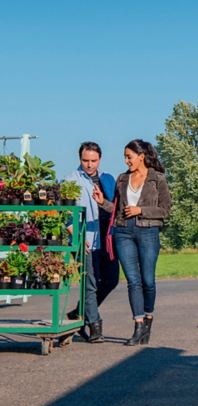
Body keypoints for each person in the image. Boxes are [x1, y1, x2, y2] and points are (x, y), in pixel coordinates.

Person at [95, 139, 171, 346]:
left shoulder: (158, 179)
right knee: (133, 280)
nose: (126, 160)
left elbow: (165, 210)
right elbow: (118, 211)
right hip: (123, 232)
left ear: (141, 156)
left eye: (129, 156)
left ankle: (148, 318)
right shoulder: (122, 179)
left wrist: (141, 210)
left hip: (148, 232)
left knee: (148, 280)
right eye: (125, 156)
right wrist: (103, 203)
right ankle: (138, 326)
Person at [65, 141, 119, 343]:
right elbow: (65, 215)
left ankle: (78, 313)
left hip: (107, 239)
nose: (89, 165)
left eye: (93, 161)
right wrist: (76, 235)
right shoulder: (71, 181)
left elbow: (116, 208)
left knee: (111, 280)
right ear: (80, 159)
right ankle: (95, 327)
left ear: (100, 159)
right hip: (85, 240)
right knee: (91, 284)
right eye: (85, 160)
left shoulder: (108, 179)